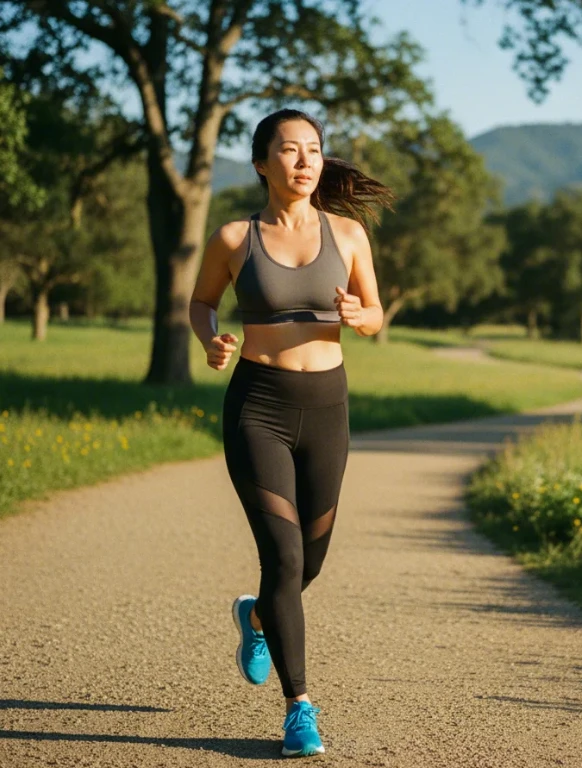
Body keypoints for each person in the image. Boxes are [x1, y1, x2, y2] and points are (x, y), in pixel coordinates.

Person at [189, 108, 392, 757]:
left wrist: (363, 317)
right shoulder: (232, 238)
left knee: (313, 559)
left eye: (314, 150)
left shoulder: (350, 234)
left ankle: (254, 615)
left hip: (327, 406)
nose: (306, 161)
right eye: (290, 150)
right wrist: (210, 339)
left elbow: (375, 312)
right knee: (285, 558)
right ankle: (299, 707)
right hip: (260, 406)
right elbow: (201, 302)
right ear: (260, 163)